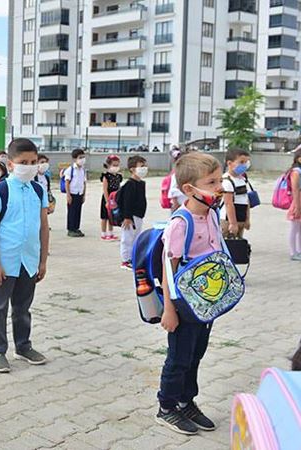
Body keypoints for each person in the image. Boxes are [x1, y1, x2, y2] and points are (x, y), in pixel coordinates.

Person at [156, 152, 222, 435]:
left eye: (220, 180)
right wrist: (168, 310)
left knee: (196, 354)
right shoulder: (180, 224)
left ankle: (186, 400)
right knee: (179, 357)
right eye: (212, 182)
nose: (219, 187)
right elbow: (167, 269)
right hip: (182, 305)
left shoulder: (212, 215)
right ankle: (167, 407)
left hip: (204, 303)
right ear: (189, 189)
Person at [0, 138, 49, 373]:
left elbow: (43, 226)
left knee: (23, 307)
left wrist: (42, 260)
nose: (29, 166)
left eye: (33, 162)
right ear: (10, 164)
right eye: (23, 162)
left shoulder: (38, 189)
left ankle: (23, 346)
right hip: (5, 260)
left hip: (29, 261)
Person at [119, 156, 148, 270]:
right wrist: (127, 217)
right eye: (141, 166)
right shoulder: (129, 184)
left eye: (145, 166)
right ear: (132, 169)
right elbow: (126, 202)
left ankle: (133, 257)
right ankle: (125, 260)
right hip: (130, 217)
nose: (144, 168)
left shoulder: (141, 183)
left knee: (136, 237)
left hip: (139, 215)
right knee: (127, 238)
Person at [221, 148, 252, 238]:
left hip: (240, 218)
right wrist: (233, 223)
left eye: (246, 162)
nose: (244, 165)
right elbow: (228, 203)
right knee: (229, 246)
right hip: (228, 221)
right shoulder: (227, 180)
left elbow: (246, 200)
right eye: (241, 162)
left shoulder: (242, 179)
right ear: (229, 163)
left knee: (238, 246)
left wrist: (247, 219)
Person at [65, 149, 87, 237]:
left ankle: (76, 228)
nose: (82, 159)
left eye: (83, 157)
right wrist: (68, 195)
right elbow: (67, 182)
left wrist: (84, 194)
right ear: (74, 159)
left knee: (78, 211)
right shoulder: (70, 170)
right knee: (71, 212)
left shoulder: (83, 170)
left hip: (79, 193)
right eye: (80, 157)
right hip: (72, 194)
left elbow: (84, 182)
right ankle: (71, 229)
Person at [100, 155, 123, 242]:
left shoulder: (118, 176)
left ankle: (110, 232)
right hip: (107, 197)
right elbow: (105, 189)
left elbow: (119, 187)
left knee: (111, 216)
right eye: (114, 165)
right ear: (108, 165)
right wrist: (107, 201)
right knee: (104, 216)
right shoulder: (106, 176)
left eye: (117, 165)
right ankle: (103, 233)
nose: (116, 167)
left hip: (115, 197)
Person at [287, 147, 301, 261]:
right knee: (294, 228)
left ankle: (299, 251)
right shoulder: (296, 172)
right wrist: (297, 206)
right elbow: (295, 189)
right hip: (298, 202)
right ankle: (293, 252)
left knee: (299, 229)